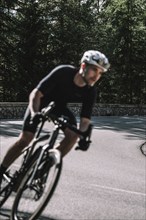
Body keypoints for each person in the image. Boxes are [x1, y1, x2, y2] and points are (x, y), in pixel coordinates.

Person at [0, 50, 110, 183]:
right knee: (26, 139)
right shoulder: (64, 72)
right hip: (40, 102)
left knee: (73, 135)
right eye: (94, 70)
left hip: (59, 107)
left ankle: (42, 168)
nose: (96, 76)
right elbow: (36, 94)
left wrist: (83, 136)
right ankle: (1, 170)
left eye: (100, 73)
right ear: (83, 66)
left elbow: (85, 119)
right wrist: (35, 113)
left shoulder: (90, 91)